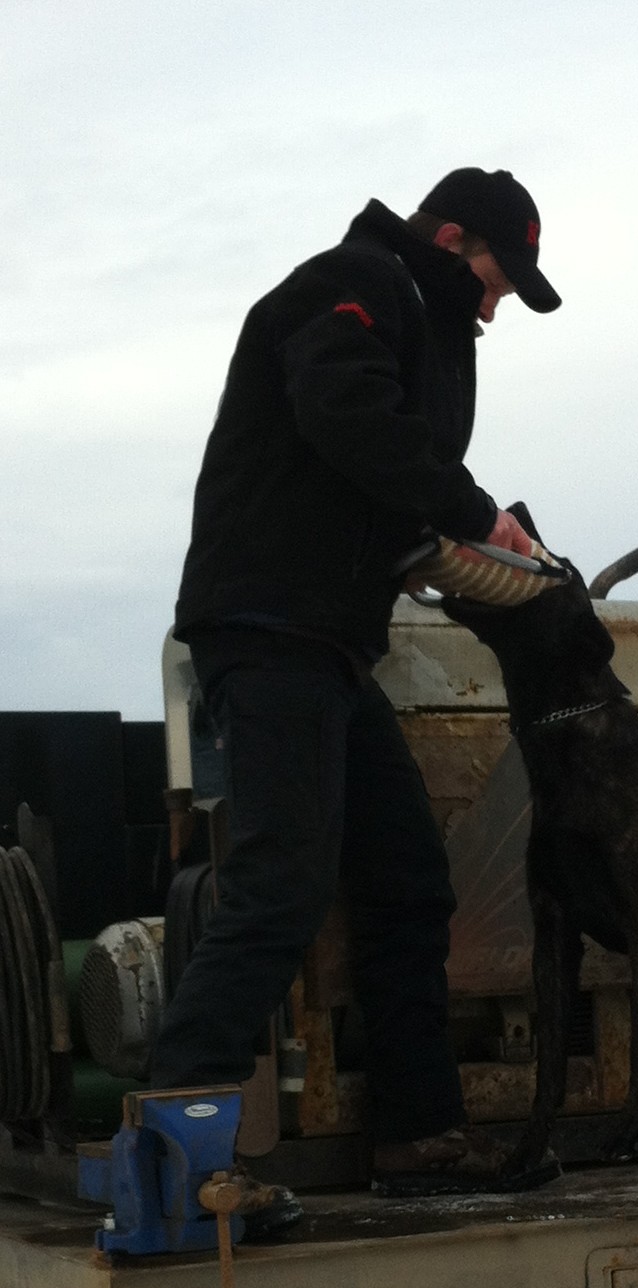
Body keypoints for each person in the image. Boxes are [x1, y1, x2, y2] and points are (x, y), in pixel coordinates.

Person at [150, 168, 563, 1207]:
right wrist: (473, 516)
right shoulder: (352, 283)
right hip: (269, 628)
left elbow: (361, 471)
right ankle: (174, 1161)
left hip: (332, 642)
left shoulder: (419, 316)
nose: (494, 306)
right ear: (449, 238)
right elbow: (347, 413)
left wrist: (426, 546)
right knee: (281, 884)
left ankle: (418, 1135)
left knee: (408, 878)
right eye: (494, 279)